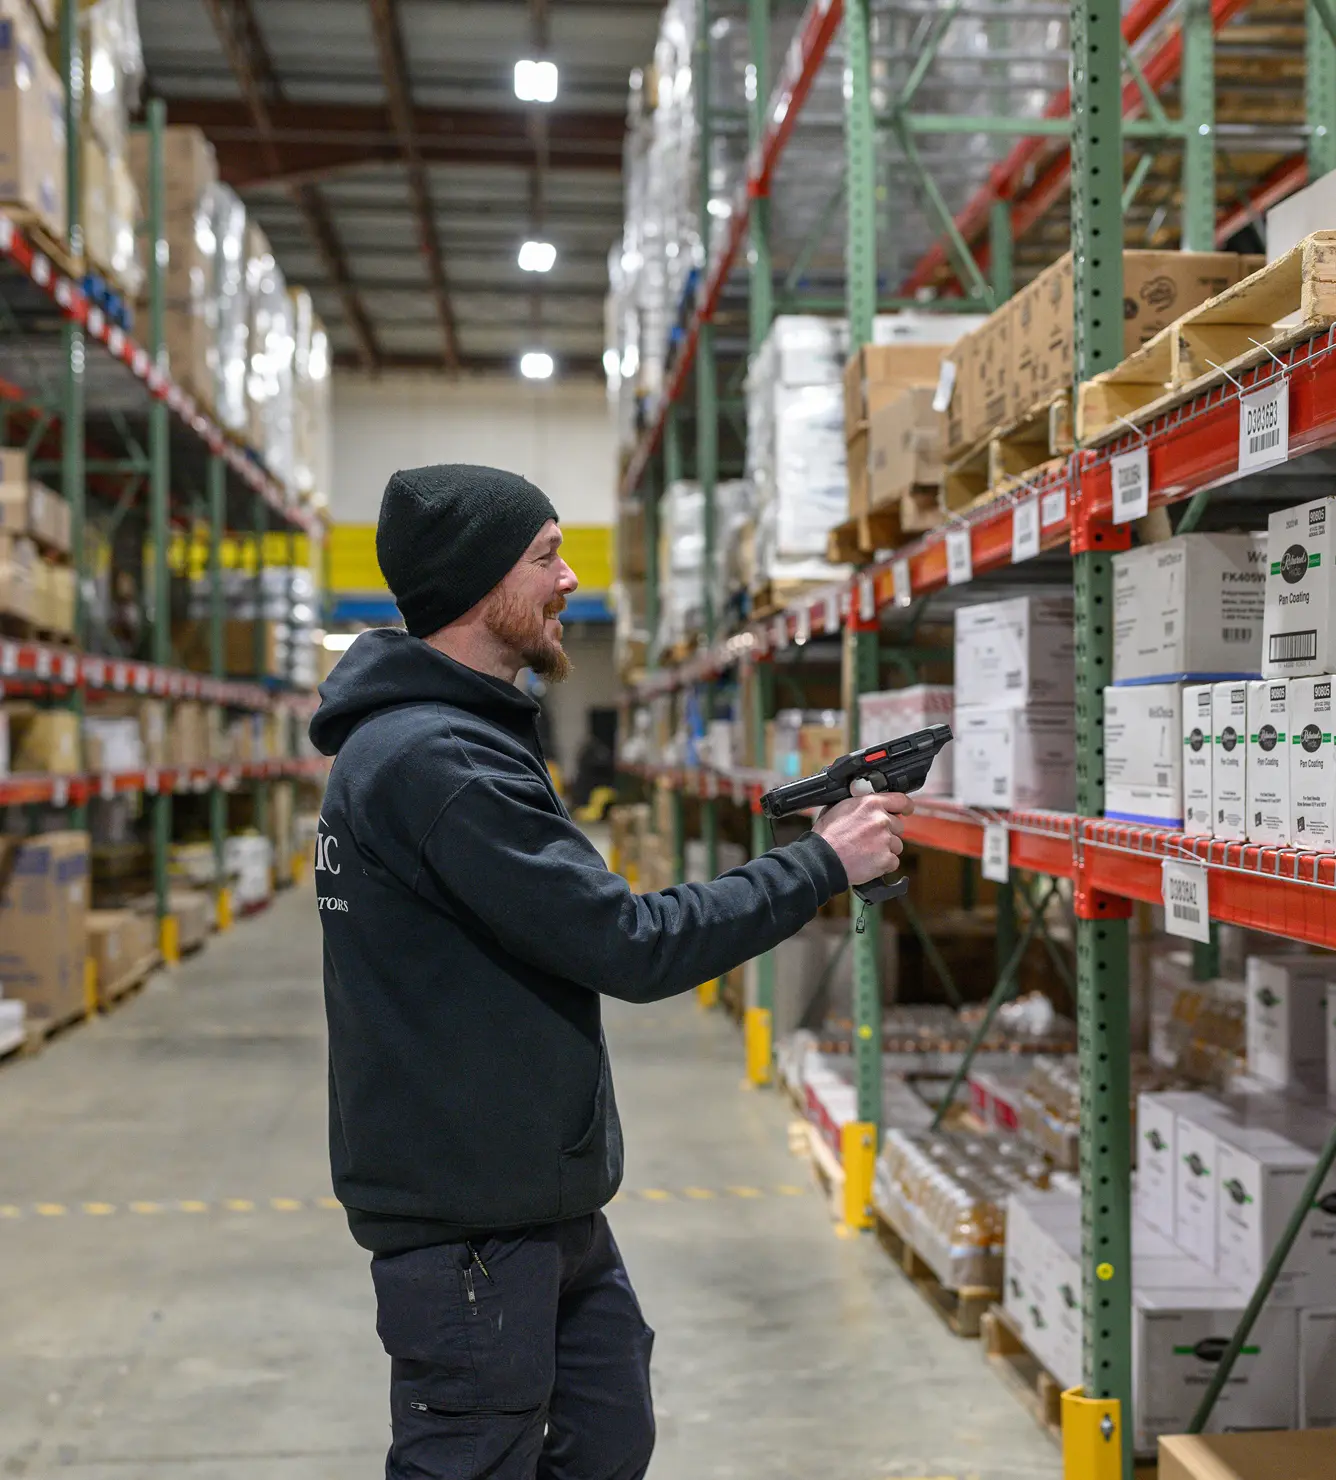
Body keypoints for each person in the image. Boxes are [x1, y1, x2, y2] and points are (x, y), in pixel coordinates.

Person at [308, 464, 913, 1480]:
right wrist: (823, 862)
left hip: (534, 1200)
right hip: (471, 1227)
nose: (569, 577)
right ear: (475, 581)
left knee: (605, 1432)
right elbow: (628, 942)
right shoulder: (435, 763)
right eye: (545, 554)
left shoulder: (456, 741)